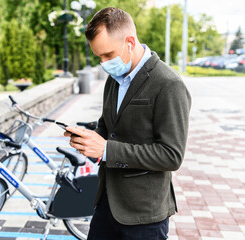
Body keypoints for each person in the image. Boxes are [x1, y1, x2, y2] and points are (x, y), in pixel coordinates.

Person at [64, 7, 191, 240]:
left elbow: (171, 155)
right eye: (99, 57)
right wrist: (88, 138)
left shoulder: (169, 84)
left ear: (130, 42)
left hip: (144, 215)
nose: (104, 63)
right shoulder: (114, 80)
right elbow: (108, 128)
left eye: (108, 55)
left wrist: (106, 150)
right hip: (106, 204)